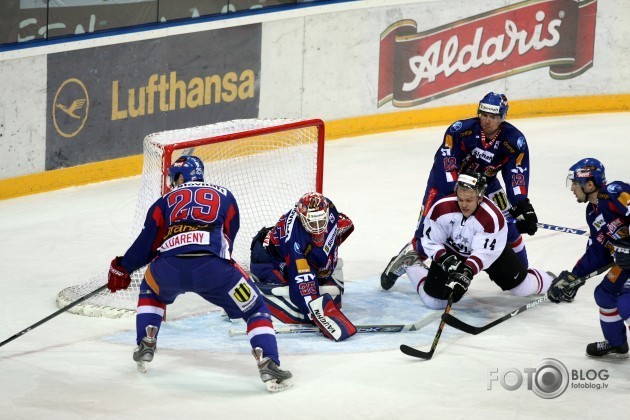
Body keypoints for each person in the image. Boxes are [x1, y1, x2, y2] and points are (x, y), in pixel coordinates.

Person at [107, 155, 292, 392]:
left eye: (174, 177)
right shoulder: (225, 195)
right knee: (255, 308)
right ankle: (268, 362)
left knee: (150, 289)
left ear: (181, 177)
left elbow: (147, 243)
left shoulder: (164, 200)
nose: (173, 182)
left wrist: (123, 267)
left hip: (169, 269)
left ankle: (145, 341)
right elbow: (229, 236)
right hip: (214, 271)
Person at [382, 92, 539, 289]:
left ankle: (523, 272)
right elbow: (446, 162)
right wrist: (454, 194)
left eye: (493, 116)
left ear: (502, 117)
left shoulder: (514, 141)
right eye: (483, 114)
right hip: (447, 184)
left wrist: (521, 203)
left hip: (485, 186)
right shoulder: (460, 130)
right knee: (430, 227)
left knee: (508, 222)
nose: (487, 120)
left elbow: (516, 173)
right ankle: (408, 258)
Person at [381, 171, 554, 310]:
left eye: (469, 200)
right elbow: (430, 240)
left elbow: (484, 253)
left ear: (480, 197)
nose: (464, 205)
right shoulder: (442, 208)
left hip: (492, 255)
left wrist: (465, 273)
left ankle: (554, 283)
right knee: (435, 303)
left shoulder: (492, 218)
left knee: (521, 289)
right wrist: (445, 260)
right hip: (452, 251)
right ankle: (411, 263)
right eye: (461, 199)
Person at [548, 158, 630, 358]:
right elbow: (598, 250)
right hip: (627, 264)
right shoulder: (592, 213)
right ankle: (616, 343)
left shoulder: (614, 192)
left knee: (627, 303)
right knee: (604, 294)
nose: (572, 189)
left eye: (575, 183)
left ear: (589, 184)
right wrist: (574, 276)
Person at [250, 192, 356, 341]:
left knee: (317, 254)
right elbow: (303, 283)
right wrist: (318, 314)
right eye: (313, 223)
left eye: (321, 221)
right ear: (302, 218)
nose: (318, 227)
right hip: (267, 260)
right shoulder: (295, 241)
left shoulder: (329, 206)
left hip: (282, 246)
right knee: (298, 281)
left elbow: (344, 225)